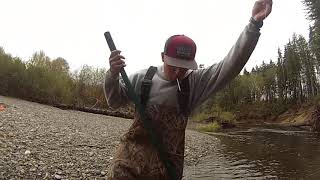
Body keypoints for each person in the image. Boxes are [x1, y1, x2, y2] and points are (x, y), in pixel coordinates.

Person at [104, 0, 273, 179]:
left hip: (167, 168)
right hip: (130, 159)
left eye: (184, 67)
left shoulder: (194, 83)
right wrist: (112, 75)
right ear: (163, 57)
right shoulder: (141, 78)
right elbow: (114, 103)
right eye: (174, 66)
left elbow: (230, 65)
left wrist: (254, 24)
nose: (178, 72)